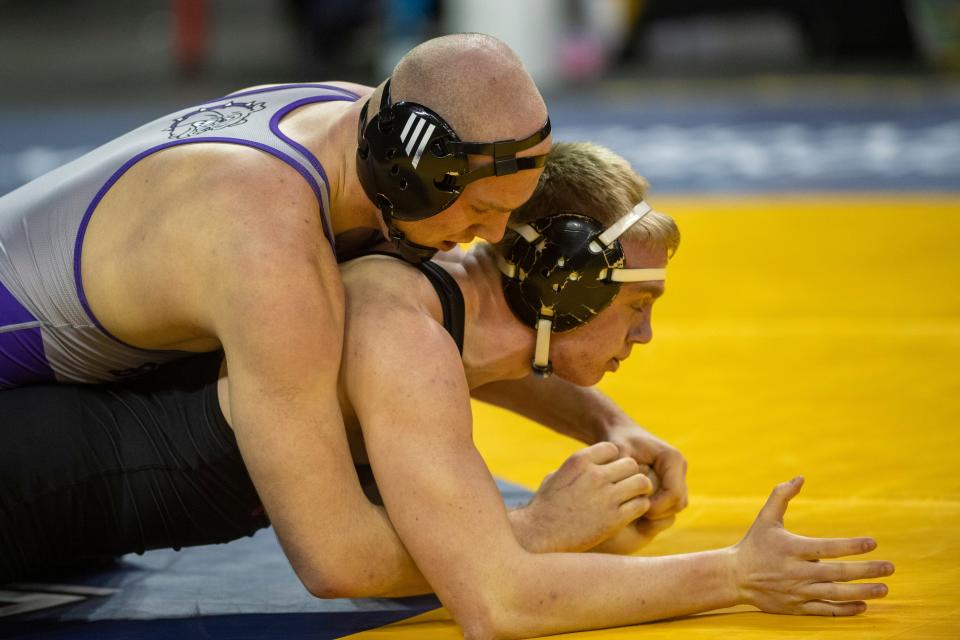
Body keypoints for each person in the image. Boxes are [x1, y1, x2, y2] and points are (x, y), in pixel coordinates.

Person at [0, 143, 892, 636]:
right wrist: (736, 574)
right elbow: (498, 604)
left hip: (55, 471)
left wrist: (605, 419)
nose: (647, 335)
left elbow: (482, 357)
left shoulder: (427, 281)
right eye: (636, 306)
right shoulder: (400, 338)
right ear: (566, 284)